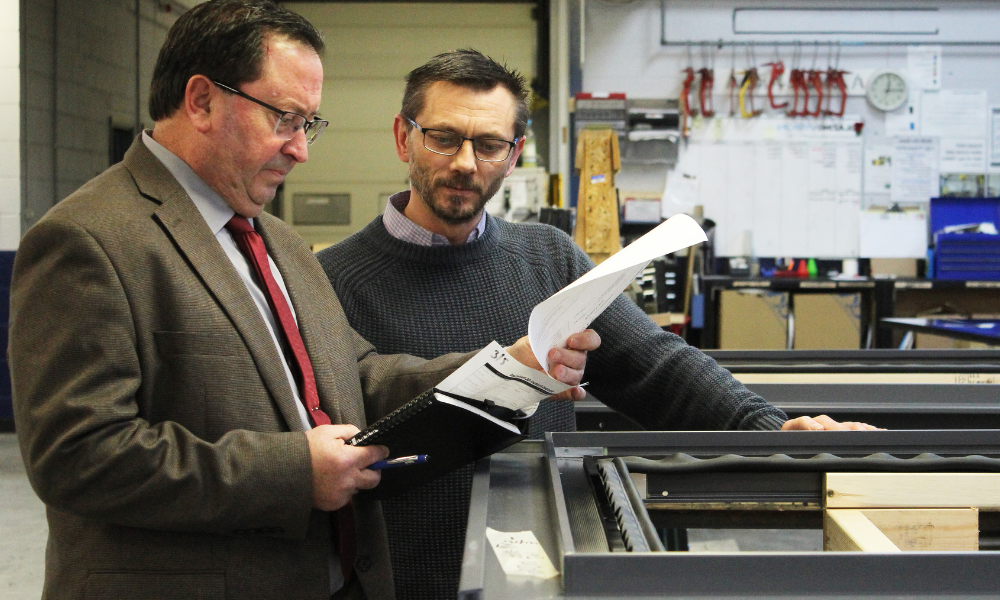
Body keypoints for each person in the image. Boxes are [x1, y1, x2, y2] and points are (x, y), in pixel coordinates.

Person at [8, 11, 596, 600]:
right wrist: (293, 473)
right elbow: (77, 456)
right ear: (201, 100)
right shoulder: (90, 239)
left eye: (308, 124)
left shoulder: (276, 240)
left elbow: (358, 377)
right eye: (285, 118)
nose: (300, 150)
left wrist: (511, 369)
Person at [316, 49, 878, 600]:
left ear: (512, 157)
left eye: (489, 145)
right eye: (444, 137)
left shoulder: (549, 260)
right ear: (402, 138)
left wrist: (770, 431)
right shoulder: (327, 280)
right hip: (401, 574)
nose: (465, 162)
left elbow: (655, 364)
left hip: (541, 570)